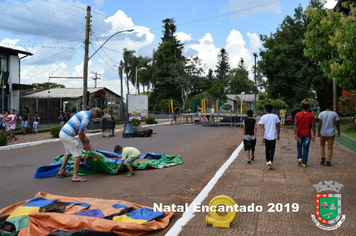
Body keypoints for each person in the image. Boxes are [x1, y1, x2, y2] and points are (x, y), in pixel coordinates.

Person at [58, 107, 102, 182]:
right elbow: (80, 132)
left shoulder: (84, 113)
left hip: (63, 133)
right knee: (78, 154)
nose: (95, 118)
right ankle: (75, 176)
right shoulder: (87, 117)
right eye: (96, 116)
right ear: (94, 113)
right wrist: (84, 144)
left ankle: (62, 170)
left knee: (69, 153)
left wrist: (85, 138)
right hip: (67, 135)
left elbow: (81, 131)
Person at [318, 100, 340, 166]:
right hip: (331, 134)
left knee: (322, 145)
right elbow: (337, 124)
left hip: (323, 133)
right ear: (331, 106)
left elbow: (319, 124)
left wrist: (318, 132)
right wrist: (338, 131)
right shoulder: (334, 114)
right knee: (330, 148)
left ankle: (322, 158)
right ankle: (328, 161)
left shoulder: (321, 113)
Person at [294, 102, 316, 168]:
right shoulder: (311, 115)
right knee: (306, 148)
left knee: (299, 145)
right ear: (308, 107)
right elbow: (313, 126)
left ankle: (299, 157)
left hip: (299, 133)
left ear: (302, 107)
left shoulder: (298, 114)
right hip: (307, 134)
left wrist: (294, 133)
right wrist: (314, 135)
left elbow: (295, 124)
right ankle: (304, 162)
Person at [259, 104, 280, 170]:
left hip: (266, 136)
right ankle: (270, 161)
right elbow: (278, 126)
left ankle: (268, 160)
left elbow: (262, 128)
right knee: (272, 149)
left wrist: (262, 137)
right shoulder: (275, 116)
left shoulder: (263, 117)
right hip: (273, 135)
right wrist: (278, 134)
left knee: (267, 148)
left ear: (265, 110)